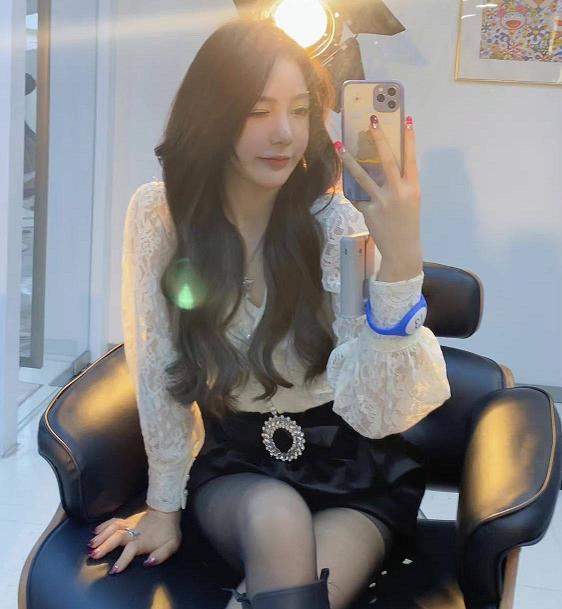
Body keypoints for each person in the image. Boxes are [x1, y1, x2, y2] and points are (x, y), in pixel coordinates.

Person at [87, 15, 451, 609]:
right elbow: (157, 367)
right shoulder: (161, 215)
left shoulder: (337, 225)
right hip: (235, 463)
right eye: (258, 111)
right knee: (277, 519)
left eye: (301, 110)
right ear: (212, 115)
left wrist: (402, 257)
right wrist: (163, 505)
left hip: (349, 470)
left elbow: (378, 409)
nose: (284, 133)